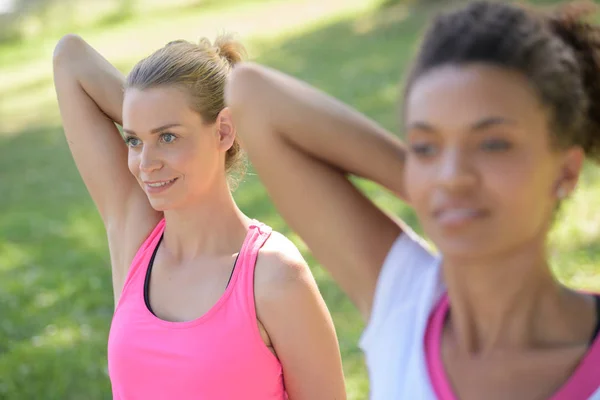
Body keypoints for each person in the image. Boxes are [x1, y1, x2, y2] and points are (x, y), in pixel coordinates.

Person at [226, 1, 600, 398]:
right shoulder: (406, 305)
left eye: (493, 144)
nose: (452, 176)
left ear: (565, 171)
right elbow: (250, 93)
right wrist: (436, 197)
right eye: (426, 147)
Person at [52, 33, 346, 400]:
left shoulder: (273, 276)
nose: (146, 164)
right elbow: (70, 58)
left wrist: (165, 111)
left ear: (224, 130)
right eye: (134, 141)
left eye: (168, 138)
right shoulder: (136, 240)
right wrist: (154, 113)